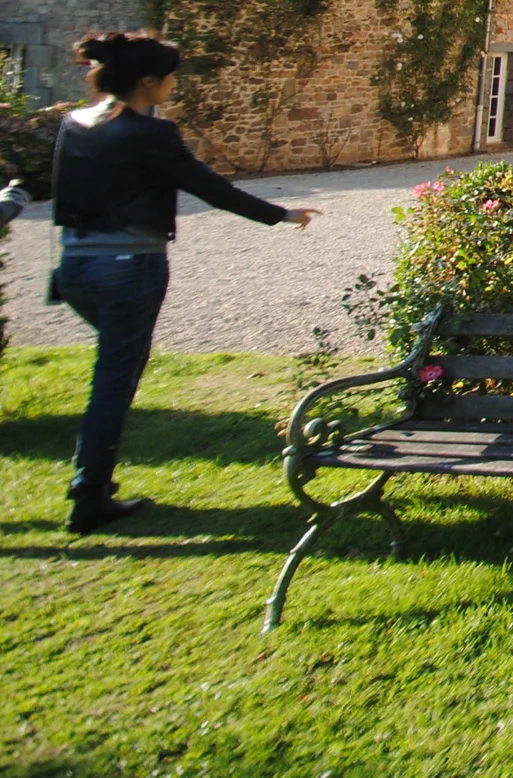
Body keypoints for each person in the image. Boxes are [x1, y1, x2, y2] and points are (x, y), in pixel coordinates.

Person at [48, 33, 314, 534]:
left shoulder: (75, 124)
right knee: (114, 378)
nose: (173, 85)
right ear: (148, 81)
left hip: (75, 265)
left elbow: (65, 193)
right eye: (169, 77)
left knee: (116, 368)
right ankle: (89, 493)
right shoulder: (150, 132)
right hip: (129, 267)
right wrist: (281, 214)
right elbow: (207, 186)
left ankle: (93, 486)